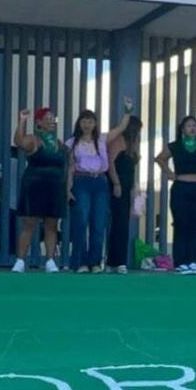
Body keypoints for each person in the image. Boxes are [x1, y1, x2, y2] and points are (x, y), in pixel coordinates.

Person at [67, 98, 133, 273]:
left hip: (100, 182)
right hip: (81, 181)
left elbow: (121, 128)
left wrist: (127, 111)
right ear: (79, 123)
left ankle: (95, 261)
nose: (87, 124)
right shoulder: (72, 143)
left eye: (90, 121)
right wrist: (68, 189)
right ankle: (80, 262)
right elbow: (70, 168)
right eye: (84, 121)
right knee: (81, 221)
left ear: (95, 123)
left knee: (99, 221)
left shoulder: (102, 139)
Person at [154, 109, 196, 274]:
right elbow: (160, 158)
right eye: (188, 126)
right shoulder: (175, 146)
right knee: (181, 225)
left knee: (195, 225)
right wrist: (170, 173)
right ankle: (180, 262)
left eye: (194, 125)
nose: (192, 128)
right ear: (182, 129)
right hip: (181, 188)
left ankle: (192, 262)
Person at [12, 107, 67, 273]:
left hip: (54, 187)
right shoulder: (34, 140)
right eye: (48, 118)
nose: (51, 121)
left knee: (52, 225)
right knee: (29, 224)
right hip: (34, 186)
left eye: (53, 119)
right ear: (39, 123)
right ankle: (20, 261)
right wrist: (22, 120)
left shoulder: (58, 143)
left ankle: (50, 261)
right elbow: (18, 141)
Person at [106, 113, 143, 274]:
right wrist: (116, 183)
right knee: (118, 221)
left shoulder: (132, 144)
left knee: (123, 222)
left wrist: (135, 186)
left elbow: (132, 167)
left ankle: (119, 259)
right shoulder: (118, 140)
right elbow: (111, 163)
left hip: (127, 183)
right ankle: (115, 260)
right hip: (118, 182)